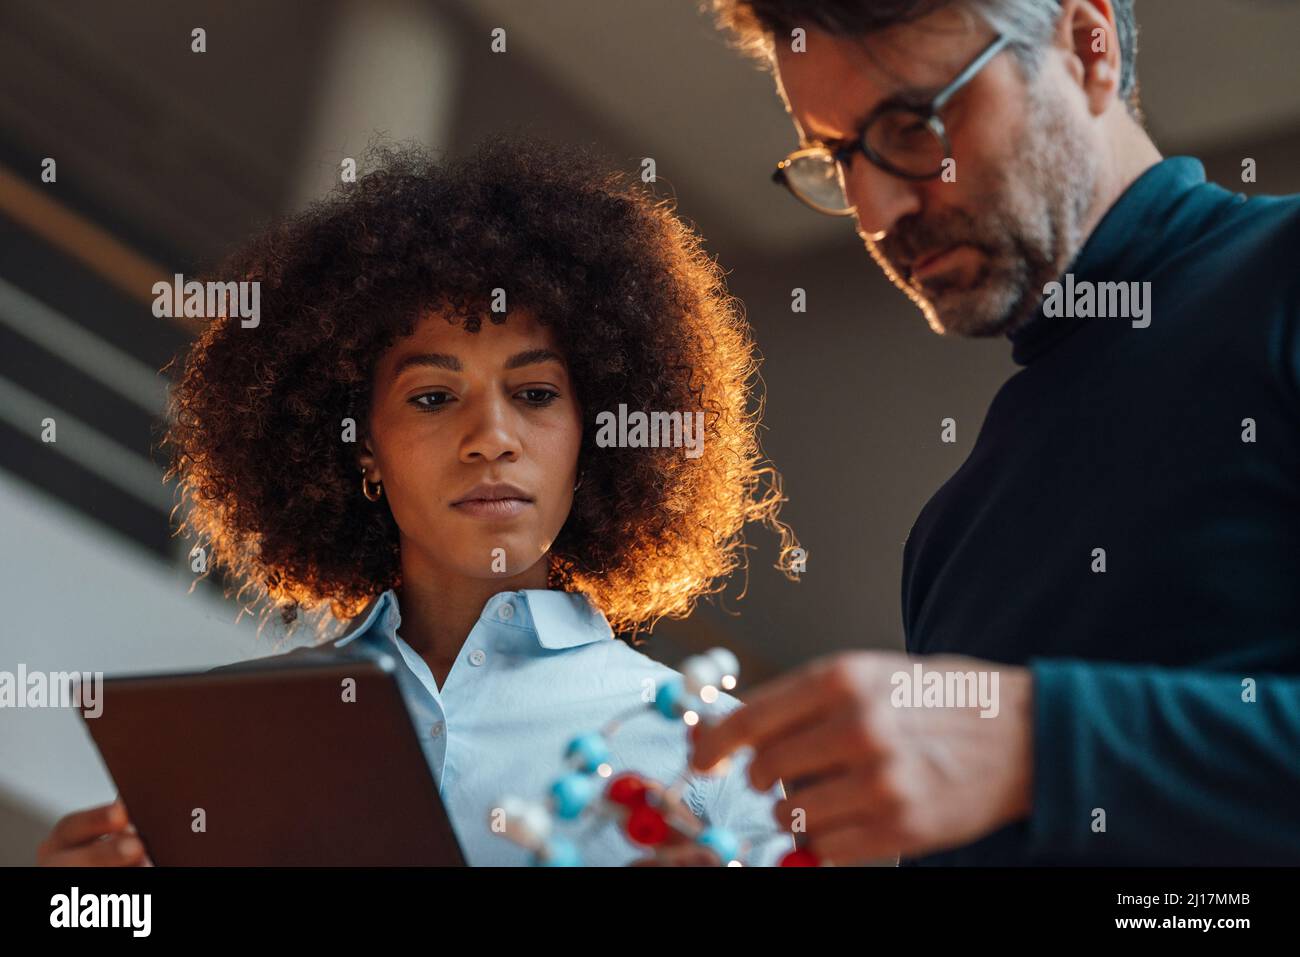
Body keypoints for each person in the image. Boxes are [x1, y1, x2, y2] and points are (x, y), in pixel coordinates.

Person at [36, 136, 799, 867]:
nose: (491, 438)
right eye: (433, 397)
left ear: (593, 435)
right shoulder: (226, 737)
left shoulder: (716, 751)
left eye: (535, 394)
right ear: (362, 443)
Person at [691, 0, 1300, 865]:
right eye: (837, 158)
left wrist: (1037, 748)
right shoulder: (949, 534)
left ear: (1087, 49)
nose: (875, 209)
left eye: (912, 124)